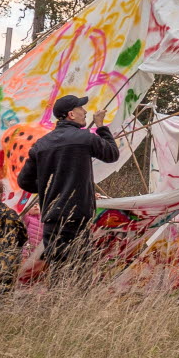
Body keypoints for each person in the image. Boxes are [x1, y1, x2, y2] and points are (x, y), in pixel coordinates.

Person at [17, 94, 119, 274]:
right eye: (81, 108)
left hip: (52, 217)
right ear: (71, 114)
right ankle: (75, 300)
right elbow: (112, 154)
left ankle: (58, 300)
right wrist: (101, 126)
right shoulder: (85, 138)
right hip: (78, 216)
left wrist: (46, 188)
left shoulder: (41, 145)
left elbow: (23, 181)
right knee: (78, 269)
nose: (85, 111)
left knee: (57, 267)